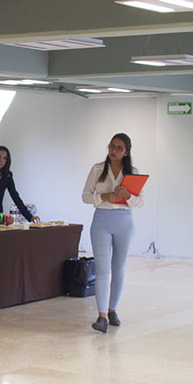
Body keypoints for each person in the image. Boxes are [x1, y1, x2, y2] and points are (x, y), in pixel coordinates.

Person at [81, 133, 144, 333]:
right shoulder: (97, 169)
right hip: (102, 219)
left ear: (126, 152)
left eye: (119, 148)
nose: (114, 151)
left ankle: (112, 309)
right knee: (102, 269)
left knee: (119, 269)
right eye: (112, 146)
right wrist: (105, 196)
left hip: (124, 221)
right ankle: (101, 315)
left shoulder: (132, 172)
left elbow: (140, 201)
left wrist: (128, 197)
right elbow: (85, 196)